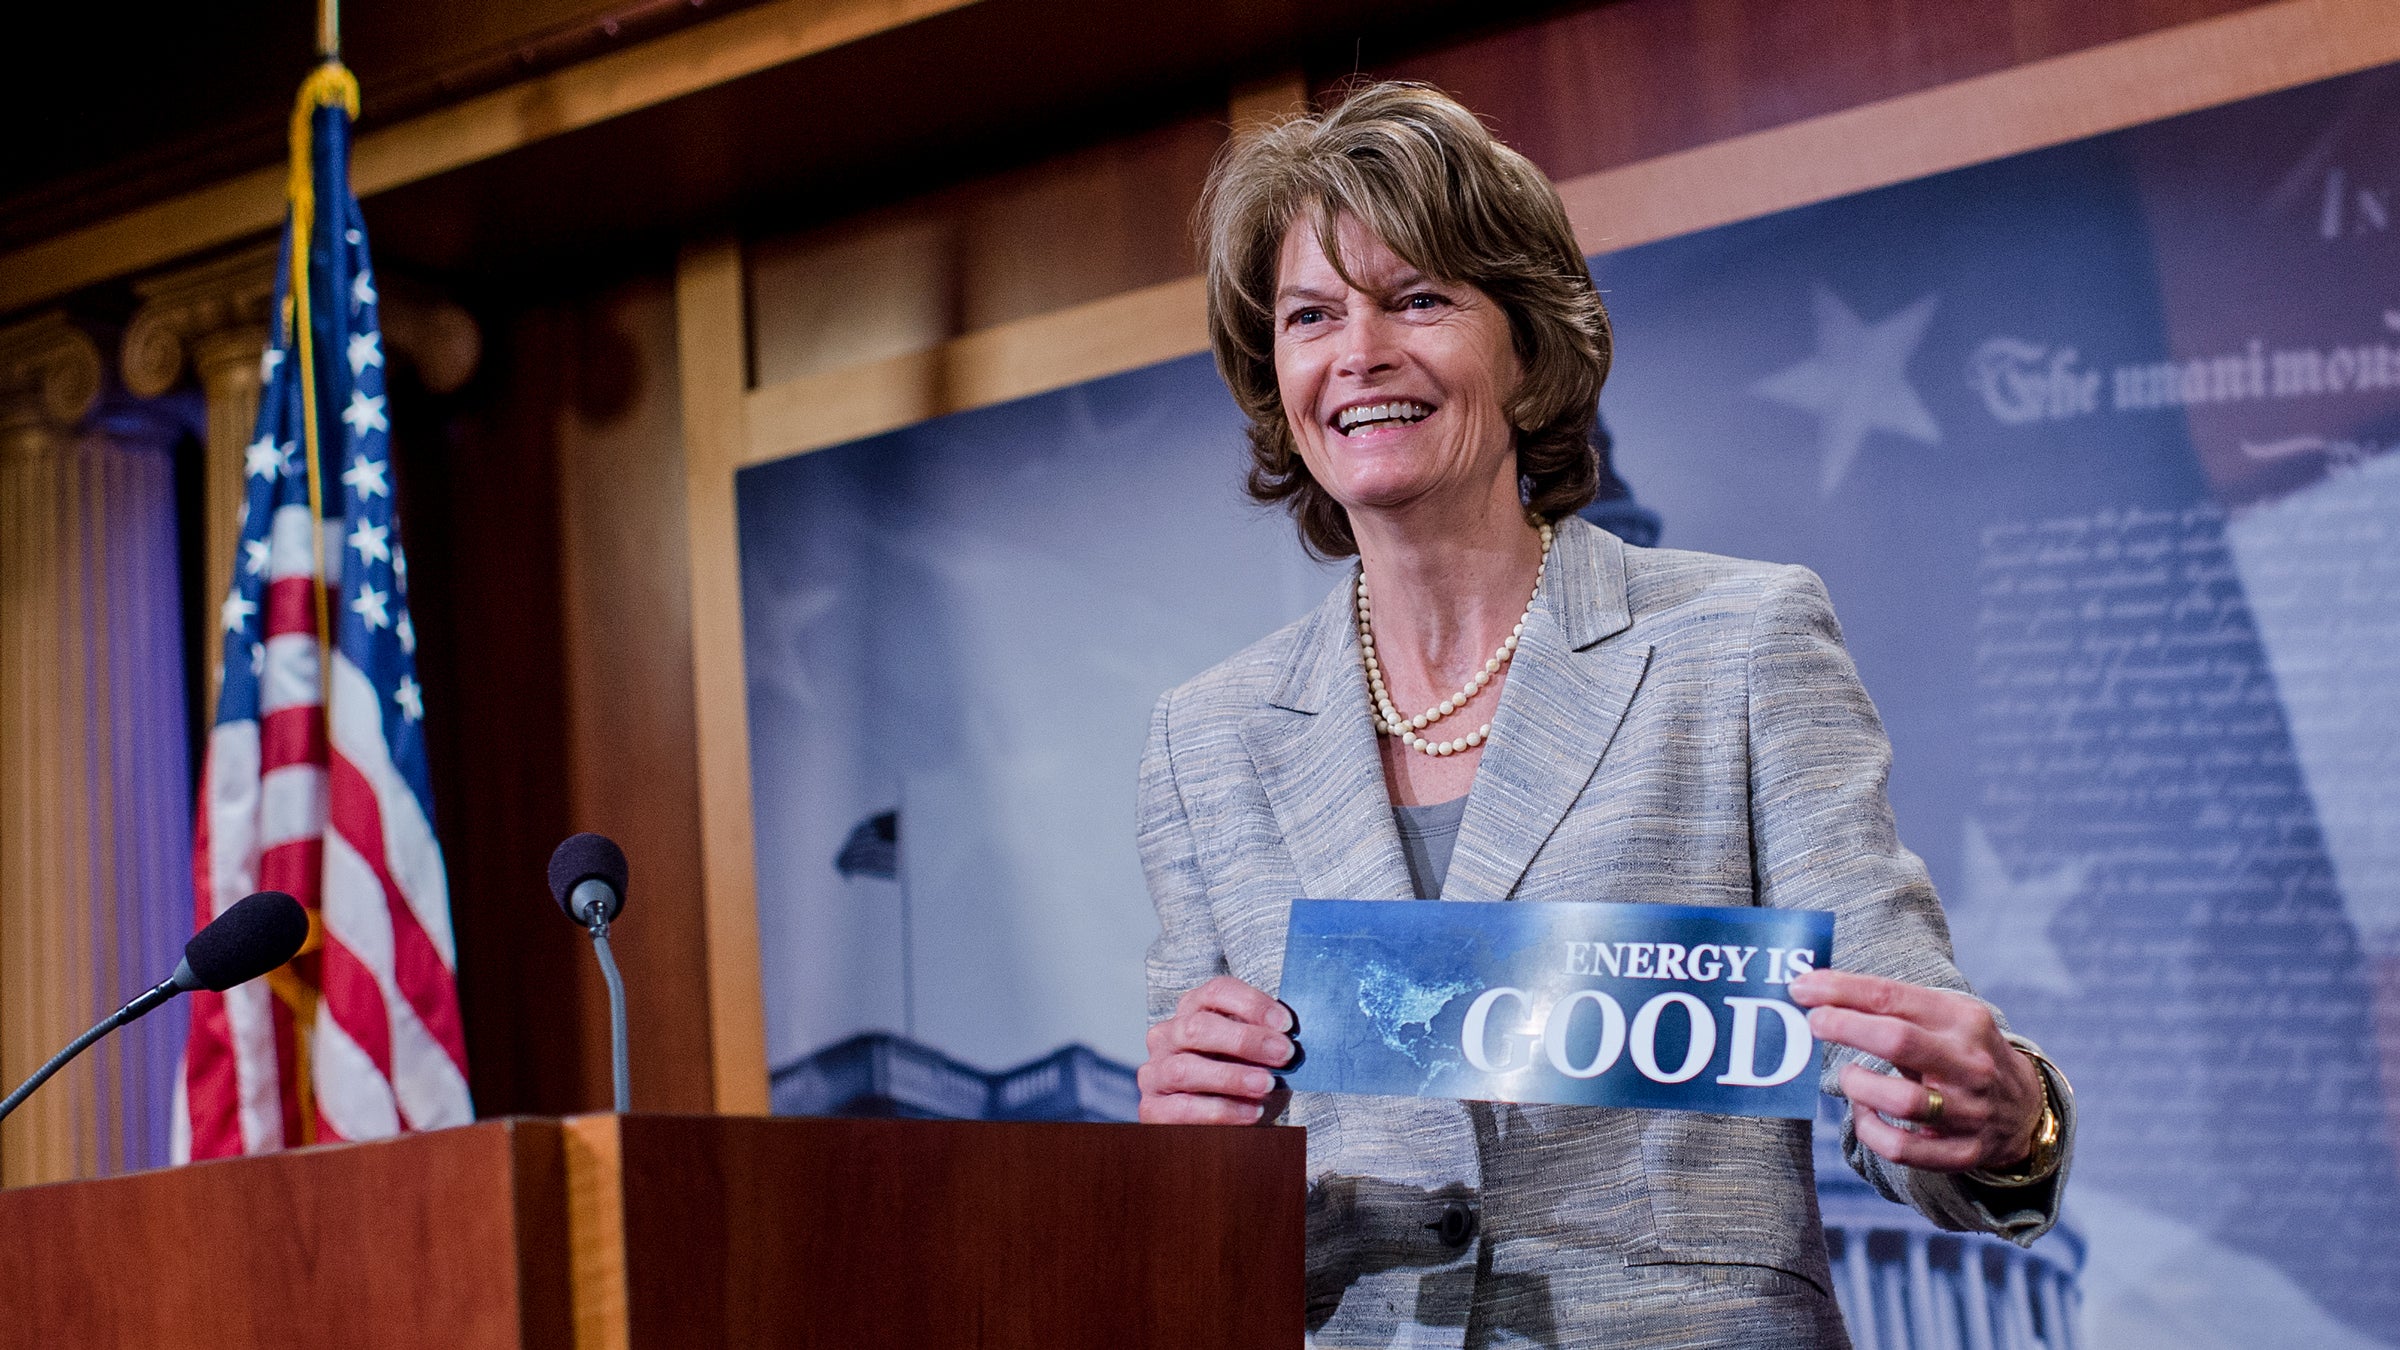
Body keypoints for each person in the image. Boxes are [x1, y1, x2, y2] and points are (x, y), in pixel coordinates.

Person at [1134, 82, 2073, 1348]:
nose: (1358, 352)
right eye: (1310, 315)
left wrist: (2009, 1119)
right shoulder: (1211, 739)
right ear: (1278, 378)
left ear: (1529, 348)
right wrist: (1188, 1152)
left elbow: (1896, 1056)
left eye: (1417, 299)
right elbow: (1211, 1216)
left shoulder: (1741, 644)